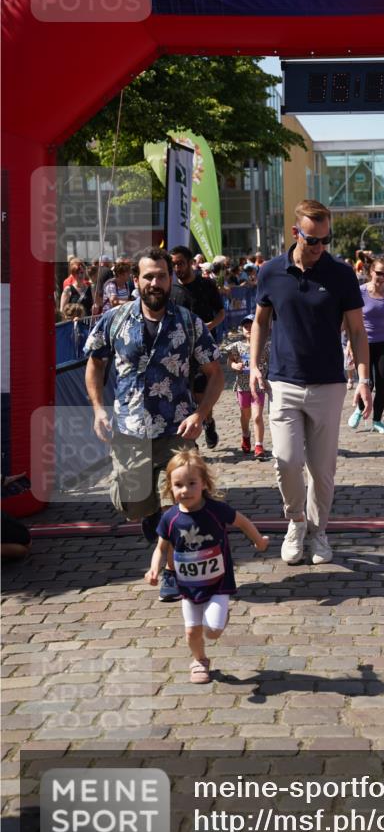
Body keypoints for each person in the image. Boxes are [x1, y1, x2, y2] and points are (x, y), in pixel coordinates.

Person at [84, 248, 224, 602]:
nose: (155, 283)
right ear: (136, 280)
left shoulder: (188, 323)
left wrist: (200, 414)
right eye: (148, 276)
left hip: (176, 431)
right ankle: (150, 517)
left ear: (170, 278)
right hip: (129, 431)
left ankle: (171, 572)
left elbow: (215, 373)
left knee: (177, 502)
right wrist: (98, 410)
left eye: (161, 276)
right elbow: (95, 363)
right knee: (131, 503)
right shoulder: (115, 320)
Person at [249, 199, 371, 566]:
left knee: (322, 470)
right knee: (287, 460)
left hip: (328, 384)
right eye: (312, 240)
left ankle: (319, 531)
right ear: (295, 233)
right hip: (283, 382)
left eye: (325, 240)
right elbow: (260, 322)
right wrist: (254, 365)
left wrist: (364, 379)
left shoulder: (341, 274)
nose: (319, 247)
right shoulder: (271, 272)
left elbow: (357, 331)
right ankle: (296, 521)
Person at [145, 451, 269, 684]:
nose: (185, 490)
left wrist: (259, 541)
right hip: (188, 586)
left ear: (203, 483)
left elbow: (242, 522)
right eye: (178, 485)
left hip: (218, 583)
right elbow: (161, 548)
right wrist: (154, 569)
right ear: (170, 487)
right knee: (191, 631)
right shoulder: (170, 518)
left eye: (192, 483)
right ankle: (199, 661)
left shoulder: (216, 510)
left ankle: (220, 617)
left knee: (212, 631)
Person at [170, 246, 226, 449]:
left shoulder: (206, 285)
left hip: (204, 350)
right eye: (174, 265)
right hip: (180, 350)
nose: (177, 268)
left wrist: (208, 327)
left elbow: (221, 313)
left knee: (201, 393)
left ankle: (208, 421)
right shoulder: (171, 290)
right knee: (186, 394)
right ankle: (189, 439)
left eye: (180, 263)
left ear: (190, 263)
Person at [347, 258, 384, 434]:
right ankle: (360, 409)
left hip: (383, 344)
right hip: (362, 343)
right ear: (371, 272)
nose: (382, 277)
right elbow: (351, 322)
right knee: (367, 381)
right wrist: (350, 343)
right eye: (379, 273)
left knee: (382, 384)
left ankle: (377, 420)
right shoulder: (360, 292)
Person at [226, 315, 270, 458]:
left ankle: (259, 445)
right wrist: (234, 365)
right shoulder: (237, 346)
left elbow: (271, 362)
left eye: (252, 326)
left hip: (258, 386)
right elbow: (229, 361)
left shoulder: (265, 346)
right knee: (245, 415)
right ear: (242, 329)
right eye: (246, 327)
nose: (249, 329)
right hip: (242, 386)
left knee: (257, 416)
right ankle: (246, 435)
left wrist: (267, 377)